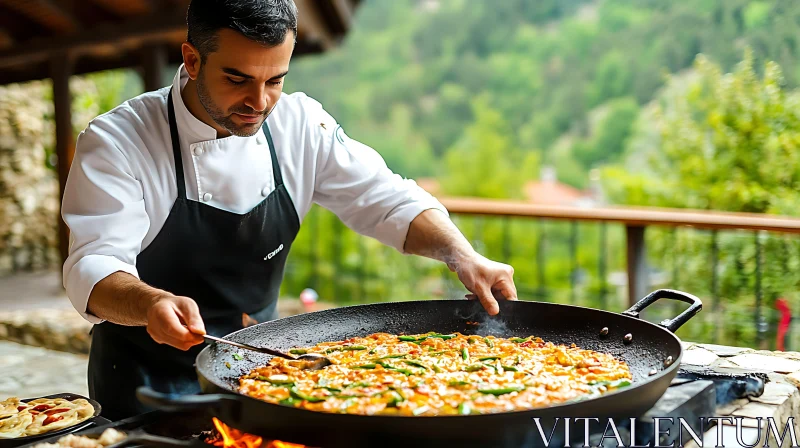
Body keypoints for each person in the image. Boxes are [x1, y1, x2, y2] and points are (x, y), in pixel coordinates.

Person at [61, 0, 517, 420]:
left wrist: (463, 255)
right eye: (237, 79)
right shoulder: (118, 142)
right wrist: (152, 302)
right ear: (193, 60)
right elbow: (93, 267)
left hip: (257, 375)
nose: (258, 103)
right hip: (145, 387)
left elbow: (388, 200)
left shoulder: (300, 124)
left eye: (274, 80)